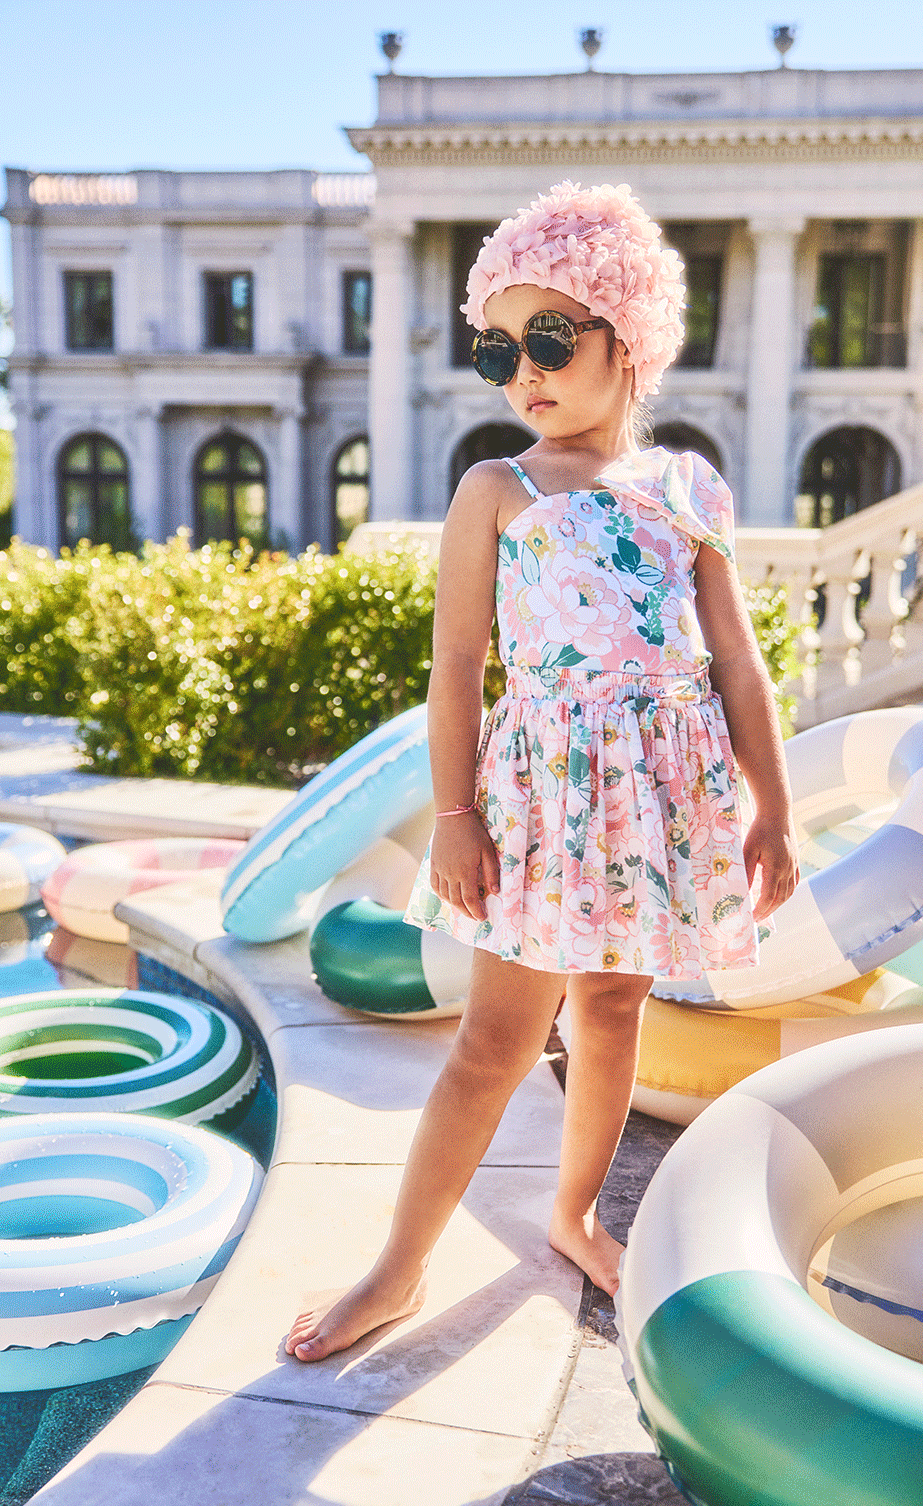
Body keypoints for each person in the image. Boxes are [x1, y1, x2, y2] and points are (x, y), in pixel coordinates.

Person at [286, 181, 798, 1363]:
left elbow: (734, 659)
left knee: (613, 1008)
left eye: (550, 339)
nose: (524, 371)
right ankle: (397, 1265)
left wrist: (771, 804)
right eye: (497, 349)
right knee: (493, 1041)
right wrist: (454, 814)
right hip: (540, 802)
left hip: (652, 803)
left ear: (629, 335)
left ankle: (573, 1212)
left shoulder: (689, 491)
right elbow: (456, 665)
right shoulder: (498, 490)